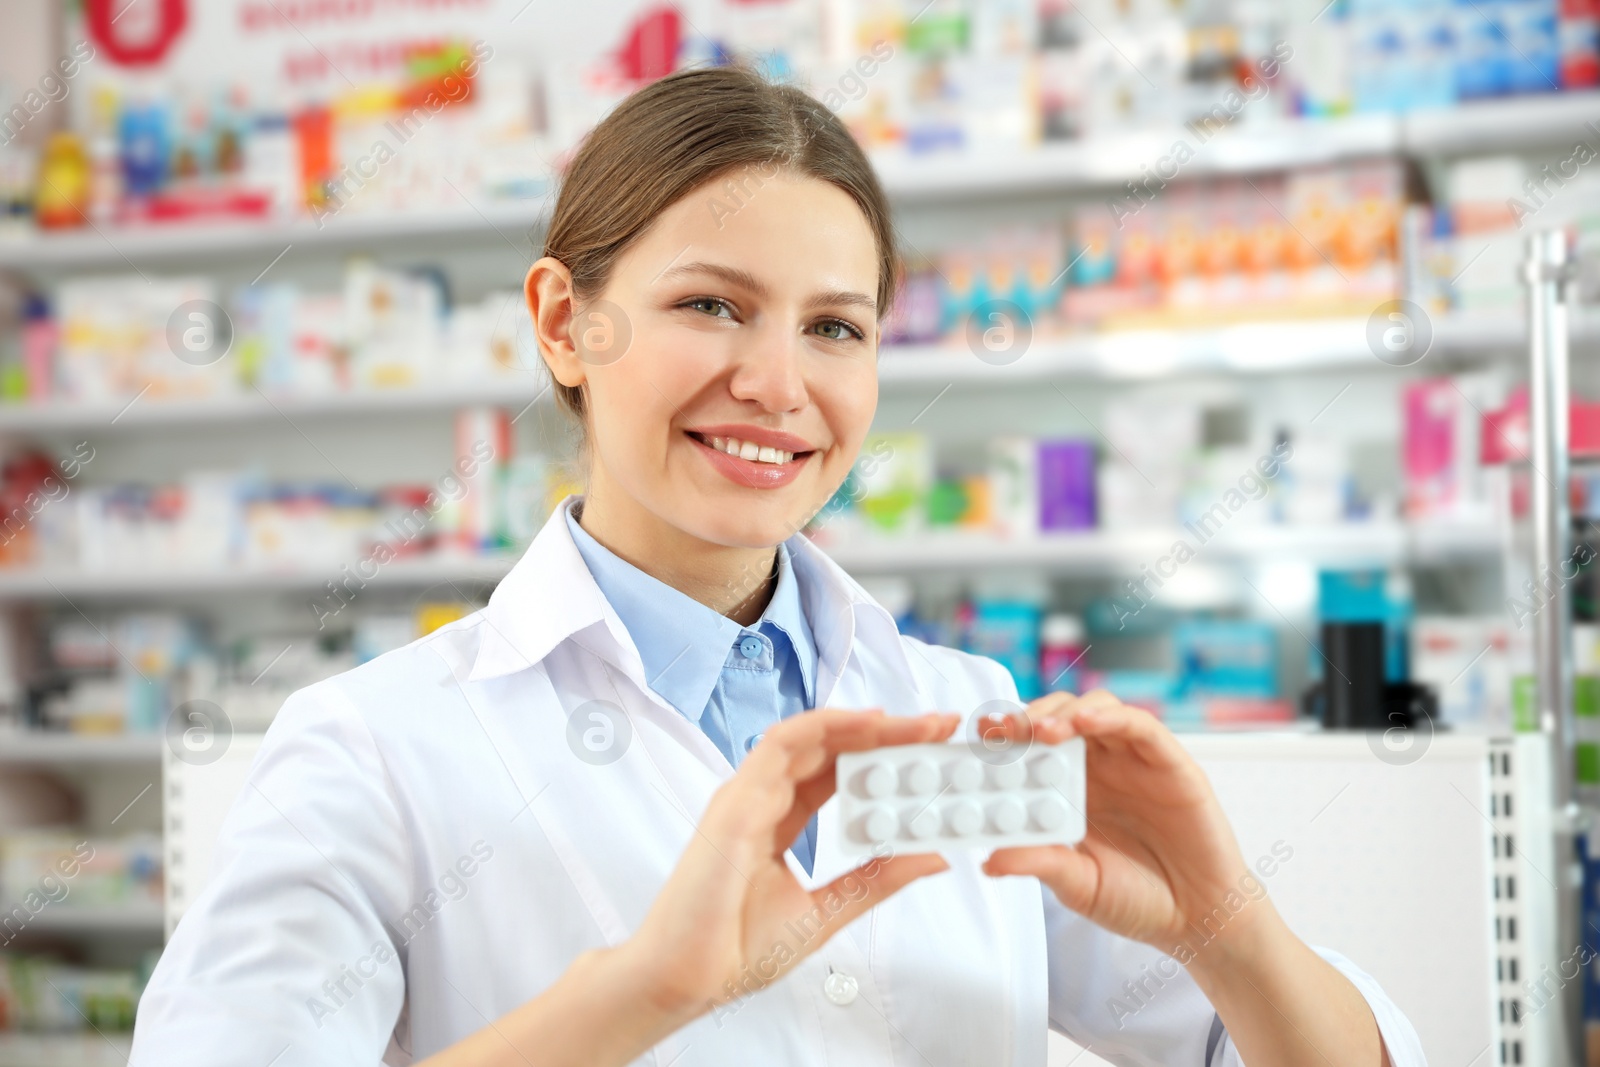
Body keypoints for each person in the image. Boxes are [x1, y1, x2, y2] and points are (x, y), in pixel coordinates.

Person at [131, 65, 1425, 1066]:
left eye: (834, 328)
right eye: (712, 305)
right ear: (563, 322)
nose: (777, 384)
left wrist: (1227, 922)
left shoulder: (968, 723)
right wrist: (647, 989)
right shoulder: (377, 751)